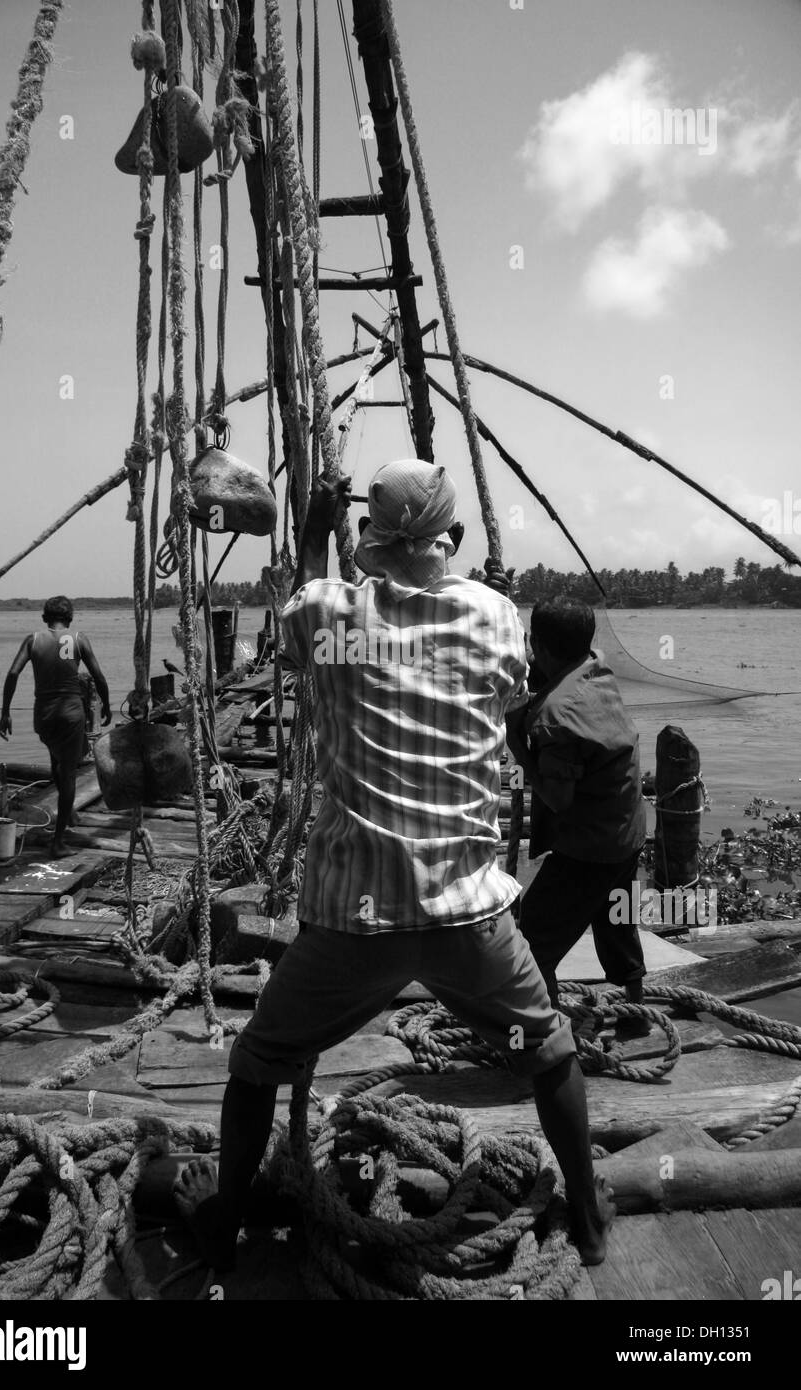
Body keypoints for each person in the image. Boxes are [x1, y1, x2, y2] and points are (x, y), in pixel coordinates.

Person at [174, 460, 614, 1280]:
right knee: (549, 1052)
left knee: (256, 1065)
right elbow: (506, 683)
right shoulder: (493, 617)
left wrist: (313, 524)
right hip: (468, 921)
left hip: (355, 923)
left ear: (368, 534)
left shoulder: (332, 613)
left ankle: (223, 1222)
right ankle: (588, 1217)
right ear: (448, 540)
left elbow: (305, 594)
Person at [507, 598, 647, 1027]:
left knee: (530, 944)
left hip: (589, 848)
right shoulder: (596, 668)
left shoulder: (556, 718)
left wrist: (517, 743)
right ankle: (636, 1011)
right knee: (615, 920)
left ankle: (549, 1038)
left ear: (541, 648)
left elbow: (557, 799)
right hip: (627, 832)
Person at [0, 597, 111, 856]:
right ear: (70, 618)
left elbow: (13, 673)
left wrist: (5, 712)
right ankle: (58, 842)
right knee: (69, 773)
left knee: (56, 762)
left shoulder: (33, 640)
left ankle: (69, 812)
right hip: (71, 713)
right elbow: (99, 676)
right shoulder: (79, 639)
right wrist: (106, 703)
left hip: (44, 716)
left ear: (44, 618)